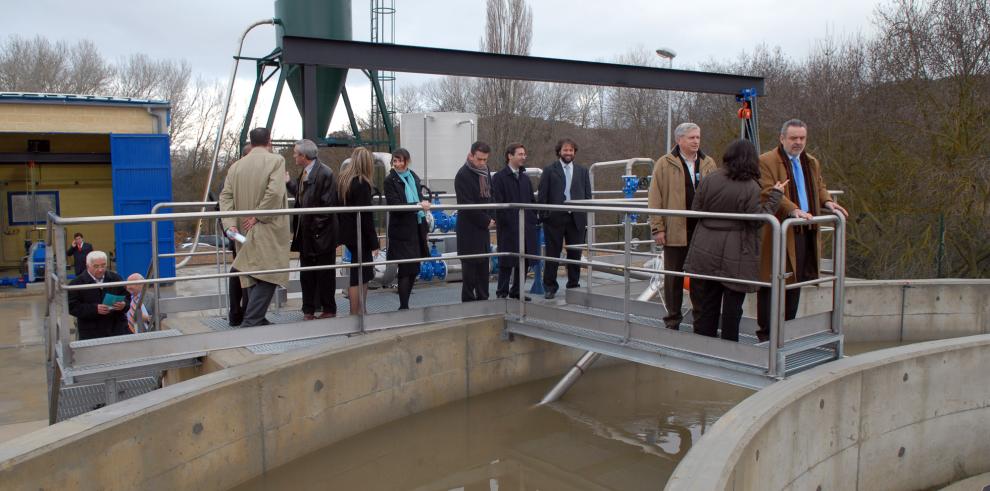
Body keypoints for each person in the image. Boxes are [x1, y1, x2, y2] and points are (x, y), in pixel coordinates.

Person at [684, 140, 787, 341]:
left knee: (707, 303)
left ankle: (704, 346)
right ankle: (730, 348)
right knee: (733, 305)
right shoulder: (751, 187)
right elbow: (758, 221)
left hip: (706, 247)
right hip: (737, 252)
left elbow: (696, 210)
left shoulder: (709, 179)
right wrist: (776, 196)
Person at [755, 119, 848, 342]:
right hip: (780, 233)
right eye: (793, 138)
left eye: (802, 138)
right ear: (782, 138)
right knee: (772, 282)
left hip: (804, 231)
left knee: (795, 283)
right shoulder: (766, 161)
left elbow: (819, 186)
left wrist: (828, 202)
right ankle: (767, 334)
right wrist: (793, 209)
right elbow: (767, 190)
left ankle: (786, 330)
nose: (798, 142)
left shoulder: (811, 162)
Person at [648, 123, 718, 329]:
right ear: (679, 140)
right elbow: (655, 197)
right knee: (673, 278)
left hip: (702, 231)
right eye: (691, 138)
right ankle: (673, 319)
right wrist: (657, 227)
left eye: (698, 137)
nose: (696, 141)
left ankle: (700, 320)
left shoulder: (708, 163)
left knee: (699, 278)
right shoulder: (664, 163)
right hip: (675, 230)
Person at [219, 127, 290, 328]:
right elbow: (275, 193)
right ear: (269, 140)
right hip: (268, 227)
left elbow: (225, 197)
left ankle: (256, 317)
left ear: (251, 141)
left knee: (250, 273)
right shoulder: (276, 161)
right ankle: (252, 320)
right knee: (270, 272)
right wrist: (258, 215)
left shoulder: (236, 167)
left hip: (242, 228)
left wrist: (230, 225)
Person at [286, 139, 338, 320]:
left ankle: (328, 309)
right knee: (307, 275)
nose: (293, 156)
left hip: (320, 236)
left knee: (324, 274)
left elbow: (326, 206)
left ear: (304, 156)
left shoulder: (325, 173)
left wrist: (314, 230)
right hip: (308, 234)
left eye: (295, 153)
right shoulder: (306, 173)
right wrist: (289, 184)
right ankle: (308, 310)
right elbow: (304, 198)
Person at [536, 138, 592, 299]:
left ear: (574, 152)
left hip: (576, 218)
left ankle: (573, 285)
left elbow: (588, 195)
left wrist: (585, 215)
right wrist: (544, 215)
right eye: (565, 150)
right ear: (559, 151)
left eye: (571, 150)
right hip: (554, 218)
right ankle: (550, 287)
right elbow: (542, 194)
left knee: (575, 253)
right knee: (552, 253)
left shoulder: (582, 171)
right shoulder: (549, 170)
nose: (568, 153)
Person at [383, 148, 431, 310]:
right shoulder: (390, 180)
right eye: (394, 161)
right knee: (405, 268)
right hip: (402, 231)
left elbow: (420, 196)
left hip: (417, 228)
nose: (397, 164)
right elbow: (395, 205)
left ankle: (405, 304)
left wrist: (422, 205)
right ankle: (404, 306)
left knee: (414, 268)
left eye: (400, 160)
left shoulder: (413, 177)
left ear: (406, 161)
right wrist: (418, 205)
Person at [337, 147, 380, 315]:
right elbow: (366, 216)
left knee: (358, 271)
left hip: (347, 232)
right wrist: (374, 242)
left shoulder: (343, 180)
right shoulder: (362, 184)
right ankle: (358, 311)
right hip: (359, 234)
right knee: (362, 274)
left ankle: (359, 310)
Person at [492, 142, 537, 301]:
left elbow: (531, 201)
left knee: (524, 258)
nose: (523, 157)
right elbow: (498, 202)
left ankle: (517, 290)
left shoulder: (525, 178)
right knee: (507, 259)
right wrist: (506, 221)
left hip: (526, 226)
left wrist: (532, 219)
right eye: (520, 154)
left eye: (524, 154)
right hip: (509, 226)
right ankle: (502, 292)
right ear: (510, 156)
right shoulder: (499, 177)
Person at [455, 141, 496, 302]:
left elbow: (491, 196)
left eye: (485, 160)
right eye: (479, 159)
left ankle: (483, 299)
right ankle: (469, 303)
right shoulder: (462, 175)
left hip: (482, 229)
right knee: (470, 271)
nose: (482, 163)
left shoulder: (485, 172)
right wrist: (486, 221)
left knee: (483, 269)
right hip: (469, 230)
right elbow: (467, 204)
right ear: (471, 155)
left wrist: (492, 216)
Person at [67, 250, 129, 339]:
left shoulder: (116, 278)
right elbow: (71, 306)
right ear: (87, 266)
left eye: (103, 265)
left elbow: (127, 298)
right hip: (91, 332)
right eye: (96, 266)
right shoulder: (77, 284)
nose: (100, 269)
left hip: (117, 329)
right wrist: (94, 309)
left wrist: (123, 305)